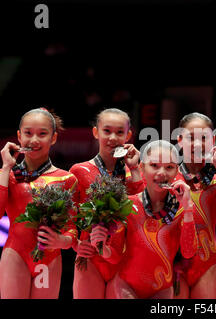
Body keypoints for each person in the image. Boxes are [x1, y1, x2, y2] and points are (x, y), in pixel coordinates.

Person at [0, 108, 78, 299]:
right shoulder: (7, 176)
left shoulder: (67, 179)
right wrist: (5, 168)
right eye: (28, 133)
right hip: (15, 255)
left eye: (42, 134)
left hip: (49, 258)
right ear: (19, 136)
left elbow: (71, 228)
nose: (34, 140)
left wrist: (62, 241)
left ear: (53, 138)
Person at [69, 108, 144, 299]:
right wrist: (75, 243)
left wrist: (135, 168)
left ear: (128, 135)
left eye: (120, 132)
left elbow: (143, 213)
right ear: (96, 132)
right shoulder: (79, 171)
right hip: (90, 257)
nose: (113, 137)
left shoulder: (135, 172)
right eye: (107, 131)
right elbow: (68, 216)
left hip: (125, 259)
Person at [114, 140, 197, 298]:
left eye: (169, 167)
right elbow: (113, 255)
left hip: (162, 290)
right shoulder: (127, 205)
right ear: (142, 168)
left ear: (177, 171)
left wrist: (188, 210)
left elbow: (188, 253)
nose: (162, 173)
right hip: (127, 287)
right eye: (154, 165)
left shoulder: (182, 209)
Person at [173, 112, 216, 299]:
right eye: (191, 138)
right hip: (173, 260)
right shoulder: (169, 174)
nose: (197, 144)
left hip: (207, 262)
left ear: (213, 140)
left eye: (204, 138)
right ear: (179, 139)